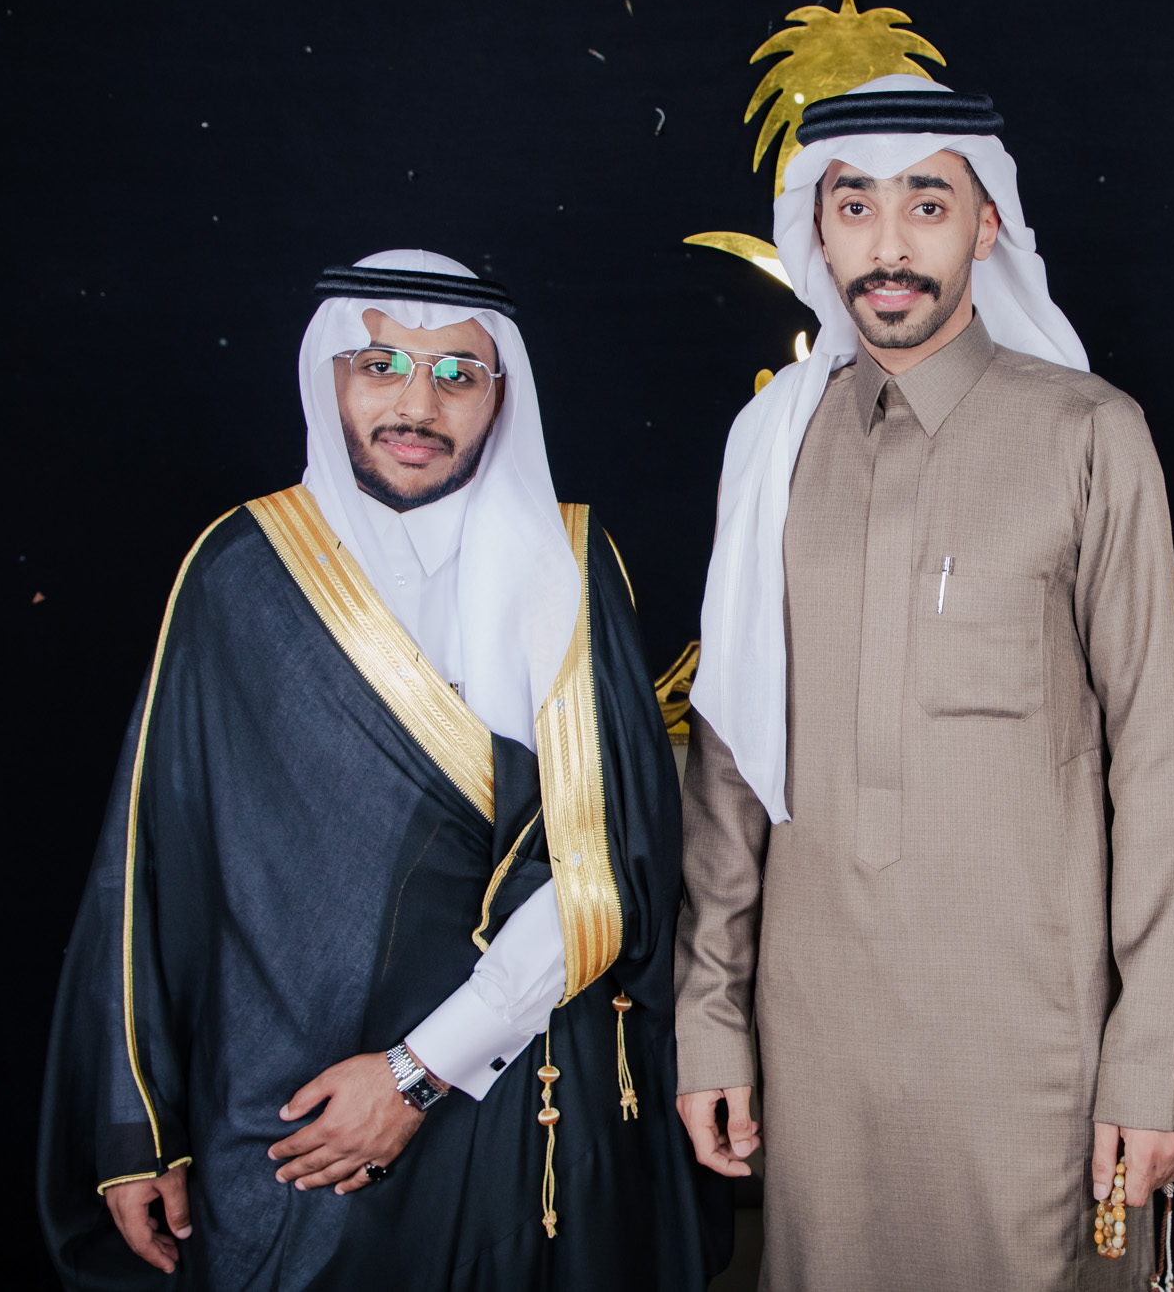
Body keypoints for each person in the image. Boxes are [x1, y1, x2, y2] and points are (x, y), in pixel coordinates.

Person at [38, 251, 727, 1290]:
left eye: (457, 373)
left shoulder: (571, 566)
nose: (417, 405)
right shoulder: (238, 570)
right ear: (331, 376)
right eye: (381, 365)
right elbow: (149, 866)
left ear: (501, 394)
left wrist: (419, 1071)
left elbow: (609, 861)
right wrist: (138, 1126)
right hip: (289, 1107)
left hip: (525, 1083)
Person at [674, 76, 1174, 1290]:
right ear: (817, 230)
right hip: (816, 1049)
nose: (890, 244)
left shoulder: (1087, 432)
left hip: (1036, 1048)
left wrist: (1150, 1062)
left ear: (986, 223)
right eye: (854, 205)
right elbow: (731, 770)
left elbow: (1152, 768)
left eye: (926, 202)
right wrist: (709, 1020)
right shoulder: (770, 451)